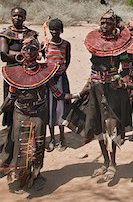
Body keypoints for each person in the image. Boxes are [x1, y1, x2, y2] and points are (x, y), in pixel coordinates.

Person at [0, 38, 85, 192]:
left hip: (39, 114)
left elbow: (58, 95)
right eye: (25, 49)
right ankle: (22, 178)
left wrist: (79, 94)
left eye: (32, 49)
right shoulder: (15, 73)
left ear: (38, 52)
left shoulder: (45, 72)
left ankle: (36, 175)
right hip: (20, 114)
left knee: (38, 146)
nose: (28, 52)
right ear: (21, 52)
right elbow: (10, 99)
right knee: (22, 147)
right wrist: (1, 110)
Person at [82, 9, 133, 181]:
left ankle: (113, 163)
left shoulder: (122, 46)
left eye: (108, 23)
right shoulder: (95, 43)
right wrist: (87, 85)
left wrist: (120, 79)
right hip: (96, 88)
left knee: (112, 125)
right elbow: (93, 69)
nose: (104, 25)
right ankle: (104, 161)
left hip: (113, 90)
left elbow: (126, 67)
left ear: (115, 25)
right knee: (98, 125)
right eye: (102, 22)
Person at [0, 7, 38, 127]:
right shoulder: (5, 34)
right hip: (12, 73)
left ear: (25, 18)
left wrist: (18, 54)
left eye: (20, 16)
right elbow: (4, 56)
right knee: (10, 100)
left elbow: (35, 52)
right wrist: (25, 54)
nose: (17, 18)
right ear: (11, 17)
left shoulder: (31, 34)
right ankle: (10, 135)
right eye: (15, 15)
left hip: (28, 72)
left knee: (27, 101)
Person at [43, 19, 71, 152]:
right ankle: (52, 138)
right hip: (48, 80)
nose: (54, 32)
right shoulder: (45, 44)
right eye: (52, 29)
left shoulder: (66, 44)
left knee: (61, 108)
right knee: (49, 108)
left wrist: (60, 72)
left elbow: (67, 60)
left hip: (61, 79)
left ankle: (62, 138)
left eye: (57, 29)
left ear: (61, 30)